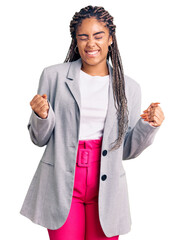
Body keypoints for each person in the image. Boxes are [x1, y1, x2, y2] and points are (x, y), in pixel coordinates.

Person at [19, 5, 165, 240]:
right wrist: (41, 116)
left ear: (110, 40)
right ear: (75, 41)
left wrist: (148, 126)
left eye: (98, 36)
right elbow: (39, 139)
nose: (91, 44)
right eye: (83, 37)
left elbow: (125, 150)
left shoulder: (129, 87)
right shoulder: (53, 76)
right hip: (61, 180)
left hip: (106, 187)